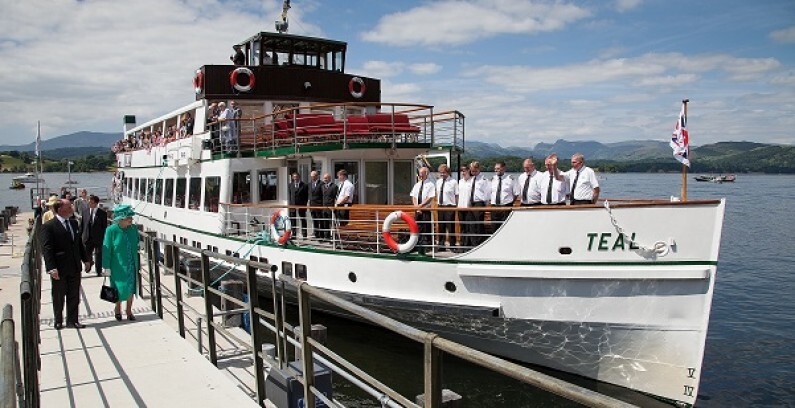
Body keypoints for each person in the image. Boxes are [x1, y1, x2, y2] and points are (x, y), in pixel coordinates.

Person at [41, 199, 92, 329]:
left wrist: (86, 260)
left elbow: (79, 244)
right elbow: (47, 249)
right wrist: (51, 268)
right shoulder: (49, 226)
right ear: (60, 209)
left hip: (74, 266)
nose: (72, 208)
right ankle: (58, 320)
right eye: (69, 206)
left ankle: (72, 320)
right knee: (58, 295)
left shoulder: (74, 223)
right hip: (59, 267)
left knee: (74, 295)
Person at [102, 204, 139, 322]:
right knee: (118, 288)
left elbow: (137, 242)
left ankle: (129, 310)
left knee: (131, 288)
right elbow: (106, 248)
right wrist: (106, 266)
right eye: (129, 218)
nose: (131, 220)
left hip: (131, 263)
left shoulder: (133, 229)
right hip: (117, 265)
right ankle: (117, 308)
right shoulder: (111, 230)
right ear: (121, 218)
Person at [410, 167, 436, 253]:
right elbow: (413, 196)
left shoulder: (431, 185)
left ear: (426, 173)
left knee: (426, 227)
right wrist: (416, 206)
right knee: (417, 227)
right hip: (417, 210)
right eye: (420, 173)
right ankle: (417, 244)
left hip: (425, 210)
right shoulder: (417, 185)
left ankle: (427, 245)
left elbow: (430, 197)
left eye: (422, 173)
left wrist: (421, 206)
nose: (420, 175)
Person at [80, 195, 107, 276]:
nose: (89, 203)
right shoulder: (85, 212)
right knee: (87, 254)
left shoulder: (102, 213)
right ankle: (89, 263)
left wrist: (103, 237)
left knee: (98, 255)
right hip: (87, 237)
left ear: (96, 203)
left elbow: (104, 226)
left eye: (91, 202)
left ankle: (98, 271)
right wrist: (80, 235)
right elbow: (82, 224)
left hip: (98, 237)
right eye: (89, 202)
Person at [468, 161, 492, 246]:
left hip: (479, 203)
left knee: (478, 224)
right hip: (471, 203)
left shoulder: (484, 180)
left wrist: (484, 204)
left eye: (474, 171)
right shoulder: (471, 179)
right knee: (471, 224)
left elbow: (487, 193)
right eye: (471, 171)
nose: (473, 172)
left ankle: (480, 242)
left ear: (478, 169)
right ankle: (473, 243)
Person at [435, 164, 458, 251]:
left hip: (450, 206)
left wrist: (456, 206)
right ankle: (441, 245)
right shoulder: (438, 182)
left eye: (443, 172)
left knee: (450, 227)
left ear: (448, 172)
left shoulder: (453, 182)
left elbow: (456, 195)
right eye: (440, 173)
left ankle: (452, 246)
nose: (442, 174)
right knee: (441, 226)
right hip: (440, 206)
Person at [490, 161, 515, 227]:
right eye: (495, 168)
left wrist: (509, 202)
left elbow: (516, 193)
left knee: (505, 227)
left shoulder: (510, 179)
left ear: (503, 168)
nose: (495, 170)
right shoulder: (492, 179)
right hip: (494, 207)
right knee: (494, 227)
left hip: (506, 207)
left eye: (498, 168)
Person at [456, 166, 473, 250]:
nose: (463, 172)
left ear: (468, 171)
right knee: (462, 227)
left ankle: (467, 245)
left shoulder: (472, 181)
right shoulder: (460, 181)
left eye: (464, 171)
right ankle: (462, 244)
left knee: (468, 227)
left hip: (468, 207)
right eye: (461, 171)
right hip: (460, 207)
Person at [288, 172, 309, 238]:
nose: (295, 178)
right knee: (293, 220)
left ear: (299, 177)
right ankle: (294, 234)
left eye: (296, 177)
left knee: (303, 220)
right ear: (292, 178)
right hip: (292, 205)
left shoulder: (304, 185)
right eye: (294, 177)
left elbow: (306, 196)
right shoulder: (290, 185)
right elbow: (290, 195)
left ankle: (304, 235)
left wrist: (304, 205)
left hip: (301, 205)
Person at [320, 173, 338, 240]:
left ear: (330, 178)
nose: (325, 179)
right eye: (324, 178)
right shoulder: (322, 186)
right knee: (325, 223)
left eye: (326, 178)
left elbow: (335, 197)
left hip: (331, 208)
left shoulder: (334, 186)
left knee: (332, 223)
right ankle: (326, 237)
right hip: (324, 208)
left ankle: (334, 237)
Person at [308, 171, 324, 239]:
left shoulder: (321, 183)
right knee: (314, 220)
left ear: (317, 176)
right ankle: (316, 234)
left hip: (319, 205)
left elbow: (323, 194)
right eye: (311, 176)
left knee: (321, 220)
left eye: (313, 176)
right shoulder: (309, 184)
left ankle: (322, 235)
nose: (312, 177)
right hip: (312, 205)